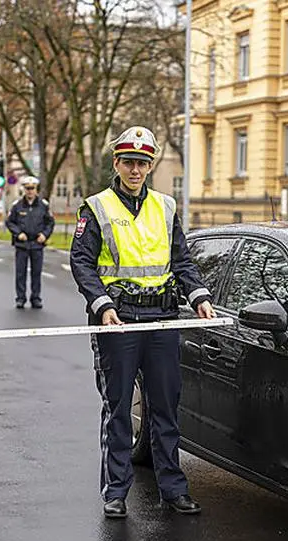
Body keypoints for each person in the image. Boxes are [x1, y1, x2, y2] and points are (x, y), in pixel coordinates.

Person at [69, 126, 216, 519]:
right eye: (129, 162)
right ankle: (116, 491)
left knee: (165, 407)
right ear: (116, 164)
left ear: (150, 167)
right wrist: (101, 305)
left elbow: (182, 260)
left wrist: (199, 297)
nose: (135, 170)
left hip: (161, 319)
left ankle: (173, 488)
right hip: (118, 320)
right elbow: (82, 263)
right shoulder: (96, 207)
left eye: (142, 163)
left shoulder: (165, 207)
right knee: (118, 408)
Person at [5, 175, 55, 308]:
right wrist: (18, 233)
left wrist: (45, 235)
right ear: (24, 189)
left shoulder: (43, 206)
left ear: (36, 189)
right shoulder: (17, 206)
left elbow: (50, 223)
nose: (30, 191)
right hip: (22, 244)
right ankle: (20, 298)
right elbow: (10, 222)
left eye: (32, 188)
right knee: (20, 273)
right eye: (27, 188)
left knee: (36, 273)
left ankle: (36, 298)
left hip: (37, 243)